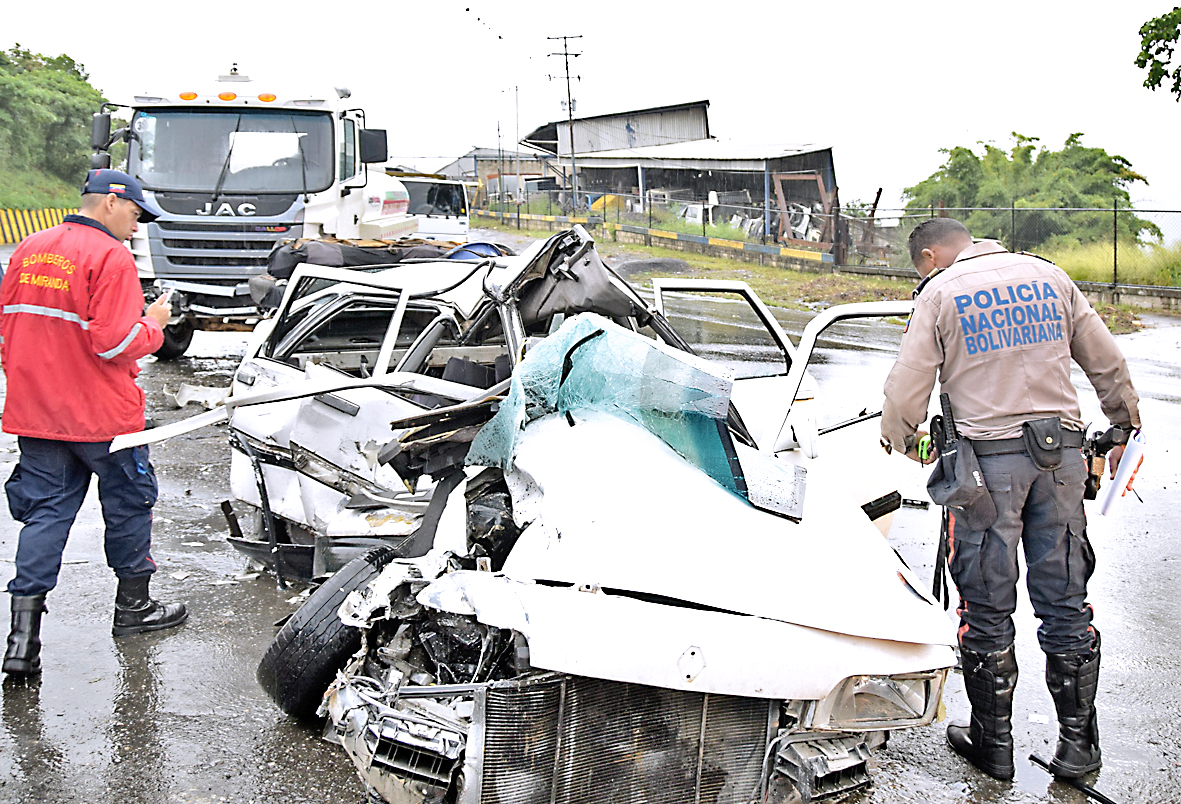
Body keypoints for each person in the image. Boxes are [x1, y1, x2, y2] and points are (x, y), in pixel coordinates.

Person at [880, 218, 1140, 782]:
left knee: (987, 606)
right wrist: (1122, 430)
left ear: (929, 256)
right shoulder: (1050, 276)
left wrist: (903, 439)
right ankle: (1079, 749)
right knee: (1066, 600)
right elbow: (1105, 360)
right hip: (1063, 462)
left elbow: (908, 384)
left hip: (985, 473)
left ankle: (992, 746)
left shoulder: (940, 292)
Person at [2, 169, 187, 677]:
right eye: (135, 213)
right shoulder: (111, 257)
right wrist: (155, 324)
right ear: (110, 202)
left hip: (37, 413)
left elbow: (9, 330)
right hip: (104, 419)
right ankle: (134, 610)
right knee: (129, 504)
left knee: (45, 515)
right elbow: (114, 343)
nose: (136, 225)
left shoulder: (29, 248)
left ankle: (22, 643)